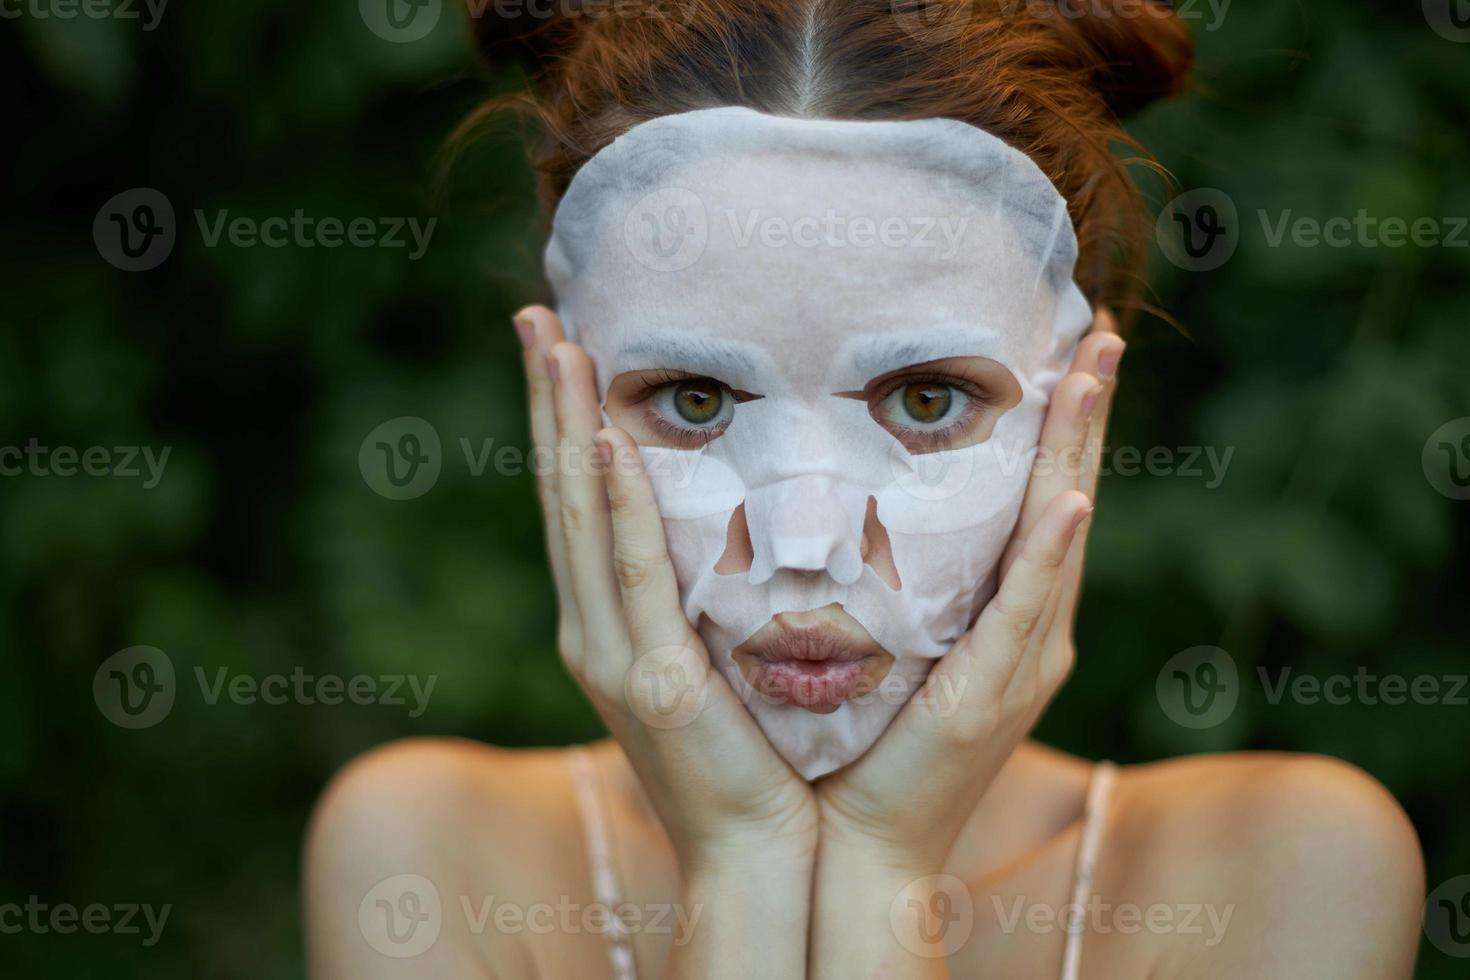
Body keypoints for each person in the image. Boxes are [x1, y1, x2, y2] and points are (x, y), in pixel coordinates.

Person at [306, 2, 1425, 976]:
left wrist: (882, 870)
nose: (805, 544)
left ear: (1078, 404)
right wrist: (741, 861)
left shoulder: (1285, 869)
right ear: (562, 406)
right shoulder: (426, 857)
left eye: (928, 399)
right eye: (695, 399)